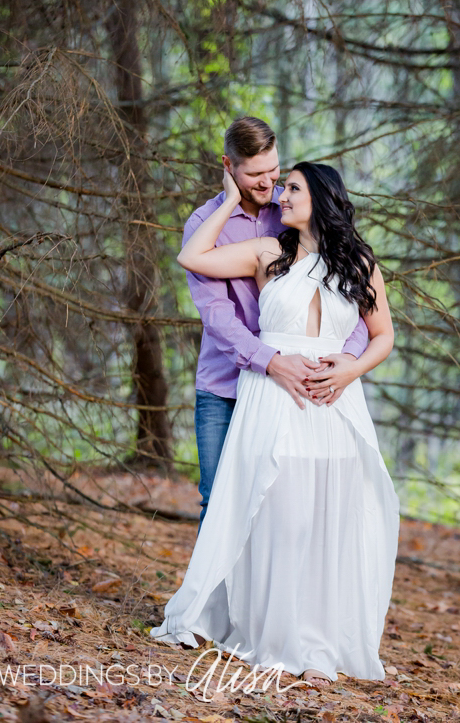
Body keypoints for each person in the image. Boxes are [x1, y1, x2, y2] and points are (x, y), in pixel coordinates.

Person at [152, 160, 399, 685]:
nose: (281, 196)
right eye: (281, 187)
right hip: (271, 395)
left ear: (323, 199)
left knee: (327, 518)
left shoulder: (358, 261)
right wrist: (225, 201)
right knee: (279, 516)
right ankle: (276, 632)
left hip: (333, 402)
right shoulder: (268, 254)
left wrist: (349, 370)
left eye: (292, 188)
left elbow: (383, 336)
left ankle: (319, 643)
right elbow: (191, 255)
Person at [184, 117, 372, 529]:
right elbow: (217, 316)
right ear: (228, 166)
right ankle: (218, 596)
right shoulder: (205, 225)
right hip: (226, 386)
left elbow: (350, 300)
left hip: (294, 387)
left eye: (275, 171)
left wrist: (344, 359)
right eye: (255, 174)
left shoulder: (291, 211)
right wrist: (269, 360)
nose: (269, 183)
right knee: (218, 501)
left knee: (279, 503)